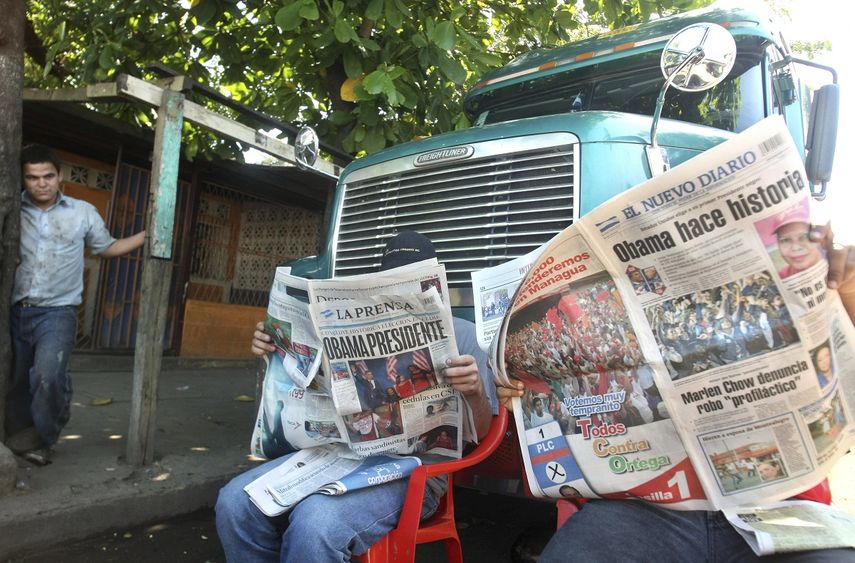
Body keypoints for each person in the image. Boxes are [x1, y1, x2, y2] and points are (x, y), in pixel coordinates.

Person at [496, 226, 855, 562]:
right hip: (638, 509)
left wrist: (850, 296)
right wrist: (518, 394)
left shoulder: (809, 291)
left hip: (783, 508)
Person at [215, 231, 498, 562]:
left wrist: (475, 391)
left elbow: (481, 435)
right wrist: (273, 351)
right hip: (336, 454)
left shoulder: (464, 336)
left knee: (316, 522)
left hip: (413, 471)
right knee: (234, 502)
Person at [5, 144, 145, 465]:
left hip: (58, 311)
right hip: (15, 309)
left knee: (48, 375)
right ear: (23, 179)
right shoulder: (12, 209)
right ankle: (22, 438)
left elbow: (106, 247)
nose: (41, 183)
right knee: (16, 379)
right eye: (32, 177)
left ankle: (45, 433)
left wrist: (146, 236)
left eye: (48, 176)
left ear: (60, 176)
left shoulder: (81, 212)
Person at [773, 206, 823, 279]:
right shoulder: (782, 276)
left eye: (803, 237)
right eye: (785, 240)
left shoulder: (834, 262)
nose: (795, 248)